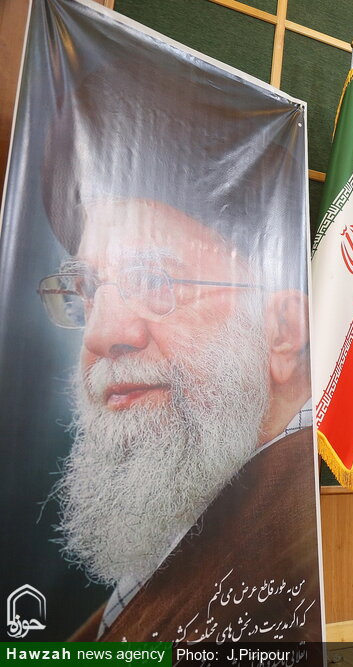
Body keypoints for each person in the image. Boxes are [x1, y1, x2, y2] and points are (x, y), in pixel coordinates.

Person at [33, 49, 321, 644]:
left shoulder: (294, 553)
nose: (101, 333)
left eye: (155, 280)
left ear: (282, 332)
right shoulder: (205, 507)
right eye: (89, 290)